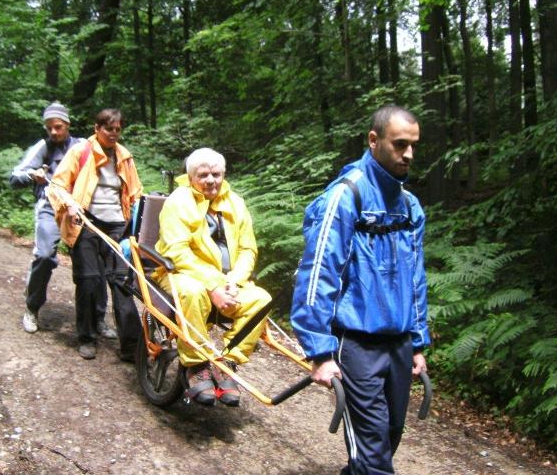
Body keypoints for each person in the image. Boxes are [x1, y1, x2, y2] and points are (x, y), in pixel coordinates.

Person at [290, 105, 430, 474]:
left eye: (413, 145)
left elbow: (415, 279)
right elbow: (318, 274)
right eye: (400, 144)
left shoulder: (411, 207)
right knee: (373, 457)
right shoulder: (345, 198)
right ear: (374, 140)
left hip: (399, 345)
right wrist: (319, 351)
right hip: (355, 346)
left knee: (388, 439)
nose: (409, 154)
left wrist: (417, 343)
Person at [153, 148, 271, 407]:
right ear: (191, 175)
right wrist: (214, 284)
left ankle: (227, 362)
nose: (210, 180)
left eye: (216, 174)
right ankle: (196, 366)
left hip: (229, 281)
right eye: (203, 174)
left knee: (261, 299)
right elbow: (177, 251)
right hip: (182, 273)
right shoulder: (179, 201)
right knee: (193, 293)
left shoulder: (235, 202)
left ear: (224, 174)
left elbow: (248, 249)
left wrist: (233, 282)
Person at [9, 102, 116, 339]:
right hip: (50, 208)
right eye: (49, 128)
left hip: (78, 210)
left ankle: (98, 318)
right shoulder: (42, 147)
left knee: (95, 262)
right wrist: (31, 175)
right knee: (45, 255)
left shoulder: (83, 146)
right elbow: (14, 177)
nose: (54, 132)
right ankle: (32, 308)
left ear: (67, 124)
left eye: (58, 127)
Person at [48, 108, 142, 360]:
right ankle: (87, 337)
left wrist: (138, 221)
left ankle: (132, 347)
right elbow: (57, 185)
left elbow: (135, 193)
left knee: (122, 283)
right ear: (97, 128)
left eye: (117, 129)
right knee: (88, 280)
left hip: (118, 227)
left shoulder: (124, 157)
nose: (113, 133)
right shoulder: (81, 152)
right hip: (86, 223)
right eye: (108, 128)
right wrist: (69, 204)